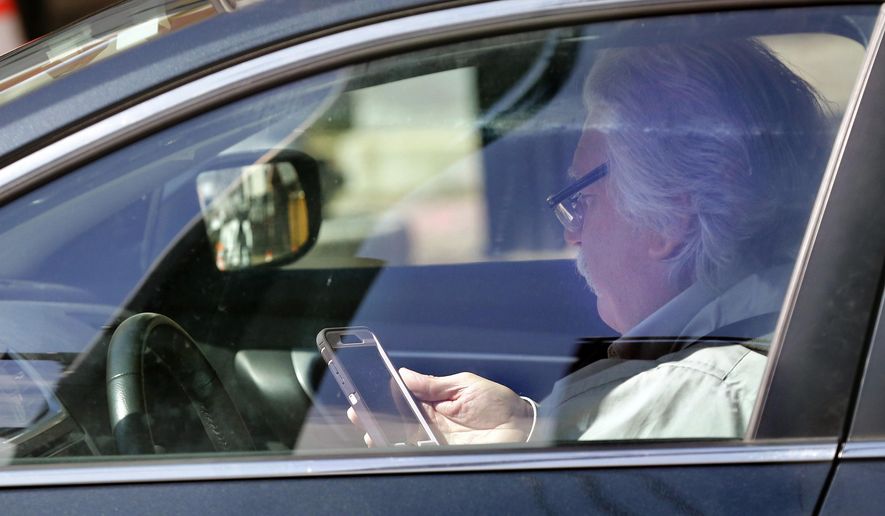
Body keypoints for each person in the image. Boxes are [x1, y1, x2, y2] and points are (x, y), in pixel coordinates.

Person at [351, 39, 832, 444]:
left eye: (581, 199)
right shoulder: (766, 335)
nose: (570, 232)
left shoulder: (693, 395)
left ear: (671, 221)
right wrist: (523, 428)